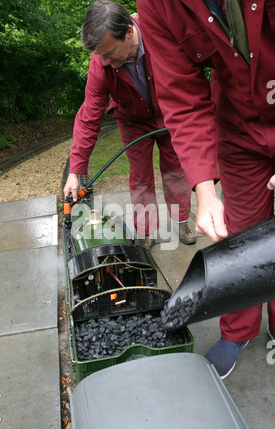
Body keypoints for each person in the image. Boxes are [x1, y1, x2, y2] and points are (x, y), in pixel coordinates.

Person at [136, 0, 275, 378]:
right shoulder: (155, 5)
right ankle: (237, 332)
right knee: (242, 236)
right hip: (239, 127)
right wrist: (204, 189)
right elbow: (181, 95)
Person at [63, 0, 196, 249]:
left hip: (169, 115)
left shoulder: (161, 33)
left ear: (129, 32)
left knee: (174, 171)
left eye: (109, 52)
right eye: (100, 55)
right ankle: (147, 231)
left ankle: (181, 221)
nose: (104, 60)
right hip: (132, 122)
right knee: (141, 178)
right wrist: (75, 171)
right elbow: (89, 116)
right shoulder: (100, 64)